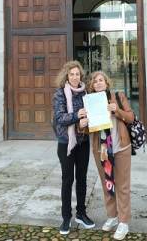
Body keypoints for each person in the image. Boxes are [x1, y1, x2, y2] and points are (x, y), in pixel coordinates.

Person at [86, 71, 134, 240]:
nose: (98, 83)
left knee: (122, 185)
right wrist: (82, 123)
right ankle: (113, 216)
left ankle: (123, 222)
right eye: (95, 81)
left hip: (121, 148)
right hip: (102, 150)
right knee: (107, 184)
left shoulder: (118, 96)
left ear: (106, 83)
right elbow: (87, 128)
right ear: (92, 86)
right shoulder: (90, 101)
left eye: (101, 80)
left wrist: (117, 110)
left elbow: (130, 117)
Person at [52, 60, 94, 235]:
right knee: (67, 180)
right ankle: (66, 218)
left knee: (82, 179)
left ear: (81, 75)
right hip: (66, 143)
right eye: (72, 74)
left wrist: (90, 118)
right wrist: (77, 115)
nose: (75, 77)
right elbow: (60, 118)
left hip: (83, 141)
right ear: (66, 76)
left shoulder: (87, 92)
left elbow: (94, 113)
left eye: (77, 74)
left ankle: (81, 213)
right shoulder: (60, 94)